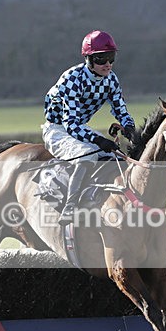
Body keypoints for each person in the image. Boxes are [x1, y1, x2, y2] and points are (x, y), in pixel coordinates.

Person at [42, 30, 137, 225]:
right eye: (102, 59)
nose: (108, 64)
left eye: (111, 58)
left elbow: (120, 108)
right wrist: (99, 140)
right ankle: (70, 206)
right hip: (58, 130)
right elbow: (72, 125)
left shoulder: (111, 79)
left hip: (79, 128)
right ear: (89, 59)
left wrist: (129, 126)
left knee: (114, 157)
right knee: (87, 154)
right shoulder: (71, 79)